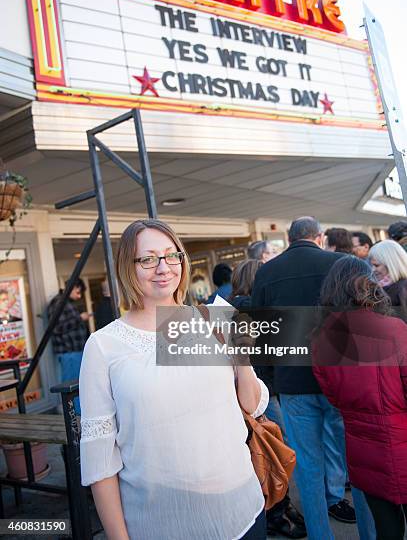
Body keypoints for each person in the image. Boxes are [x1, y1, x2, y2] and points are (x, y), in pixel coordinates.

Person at [79, 219, 270, 540]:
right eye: (148, 259)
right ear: (129, 266)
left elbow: (250, 404)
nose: (163, 267)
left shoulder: (215, 320)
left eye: (172, 255)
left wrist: (242, 355)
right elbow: (100, 461)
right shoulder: (103, 346)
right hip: (160, 524)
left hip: (243, 510)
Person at [252, 216, 374, 540]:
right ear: (319, 238)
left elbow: (260, 334)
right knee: (357, 463)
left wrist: (269, 383)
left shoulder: (266, 273)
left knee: (307, 467)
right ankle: (371, 533)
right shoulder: (344, 264)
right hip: (344, 380)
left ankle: (321, 535)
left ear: (290, 239)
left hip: (293, 384)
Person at [313, 255, 407, 540]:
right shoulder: (394, 330)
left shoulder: (321, 339)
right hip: (401, 440)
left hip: (361, 446)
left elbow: (332, 396)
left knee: (386, 529)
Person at [230, 259, 306, 539]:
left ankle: (273, 508)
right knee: (274, 448)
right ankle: (278, 510)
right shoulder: (253, 309)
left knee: (256, 449)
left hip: (238, 393)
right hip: (262, 391)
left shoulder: (225, 308)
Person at [47, 278, 89, 415]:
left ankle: (76, 413)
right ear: (72, 287)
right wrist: (80, 318)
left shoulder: (65, 303)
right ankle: (74, 415)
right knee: (72, 385)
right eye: (78, 290)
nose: (79, 294)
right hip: (69, 352)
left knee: (76, 383)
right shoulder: (59, 302)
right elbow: (57, 327)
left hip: (73, 351)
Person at [369, 239, 407, 321]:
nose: (373, 269)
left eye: (376, 265)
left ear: (391, 264)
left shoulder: (400, 289)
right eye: (372, 265)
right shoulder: (382, 287)